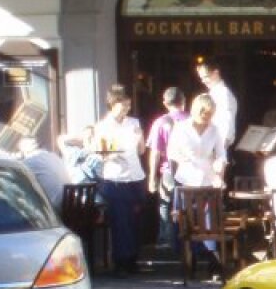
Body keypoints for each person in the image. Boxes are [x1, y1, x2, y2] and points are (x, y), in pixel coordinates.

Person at [168, 93, 228, 276]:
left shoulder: (214, 129)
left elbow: (221, 155)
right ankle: (188, 261)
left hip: (207, 179)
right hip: (186, 178)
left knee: (209, 220)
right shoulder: (181, 128)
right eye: (205, 114)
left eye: (211, 115)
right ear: (197, 111)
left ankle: (213, 261)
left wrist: (220, 171)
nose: (208, 119)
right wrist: (183, 159)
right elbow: (171, 152)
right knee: (186, 220)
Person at [94, 83, 147, 276]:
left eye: (128, 106)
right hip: (115, 177)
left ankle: (133, 259)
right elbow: (101, 154)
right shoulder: (103, 126)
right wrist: (111, 155)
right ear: (113, 104)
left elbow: (141, 150)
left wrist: (140, 137)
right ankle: (121, 262)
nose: (126, 109)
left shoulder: (133, 123)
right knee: (120, 220)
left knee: (135, 219)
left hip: (135, 175)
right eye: (123, 105)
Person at [146, 86, 188, 249]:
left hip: (169, 169)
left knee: (165, 203)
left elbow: (155, 152)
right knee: (188, 203)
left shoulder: (161, 122)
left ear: (165, 103)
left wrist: (151, 177)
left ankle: (167, 240)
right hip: (190, 170)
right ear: (183, 101)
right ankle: (187, 239)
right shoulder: (192, 120)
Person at [18, 137, 67, 214]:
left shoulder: (30, 162)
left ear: (23, 151)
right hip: (70, 205)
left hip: (52, 211)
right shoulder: (54, 156)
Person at [196, 60, 237, 149]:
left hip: (217, 146)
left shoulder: (223, 94)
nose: (203, 81)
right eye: (201, 78)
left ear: (216, 73)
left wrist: (219, 150)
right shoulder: (214, 93)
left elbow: (226, 123)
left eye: (205, 77)